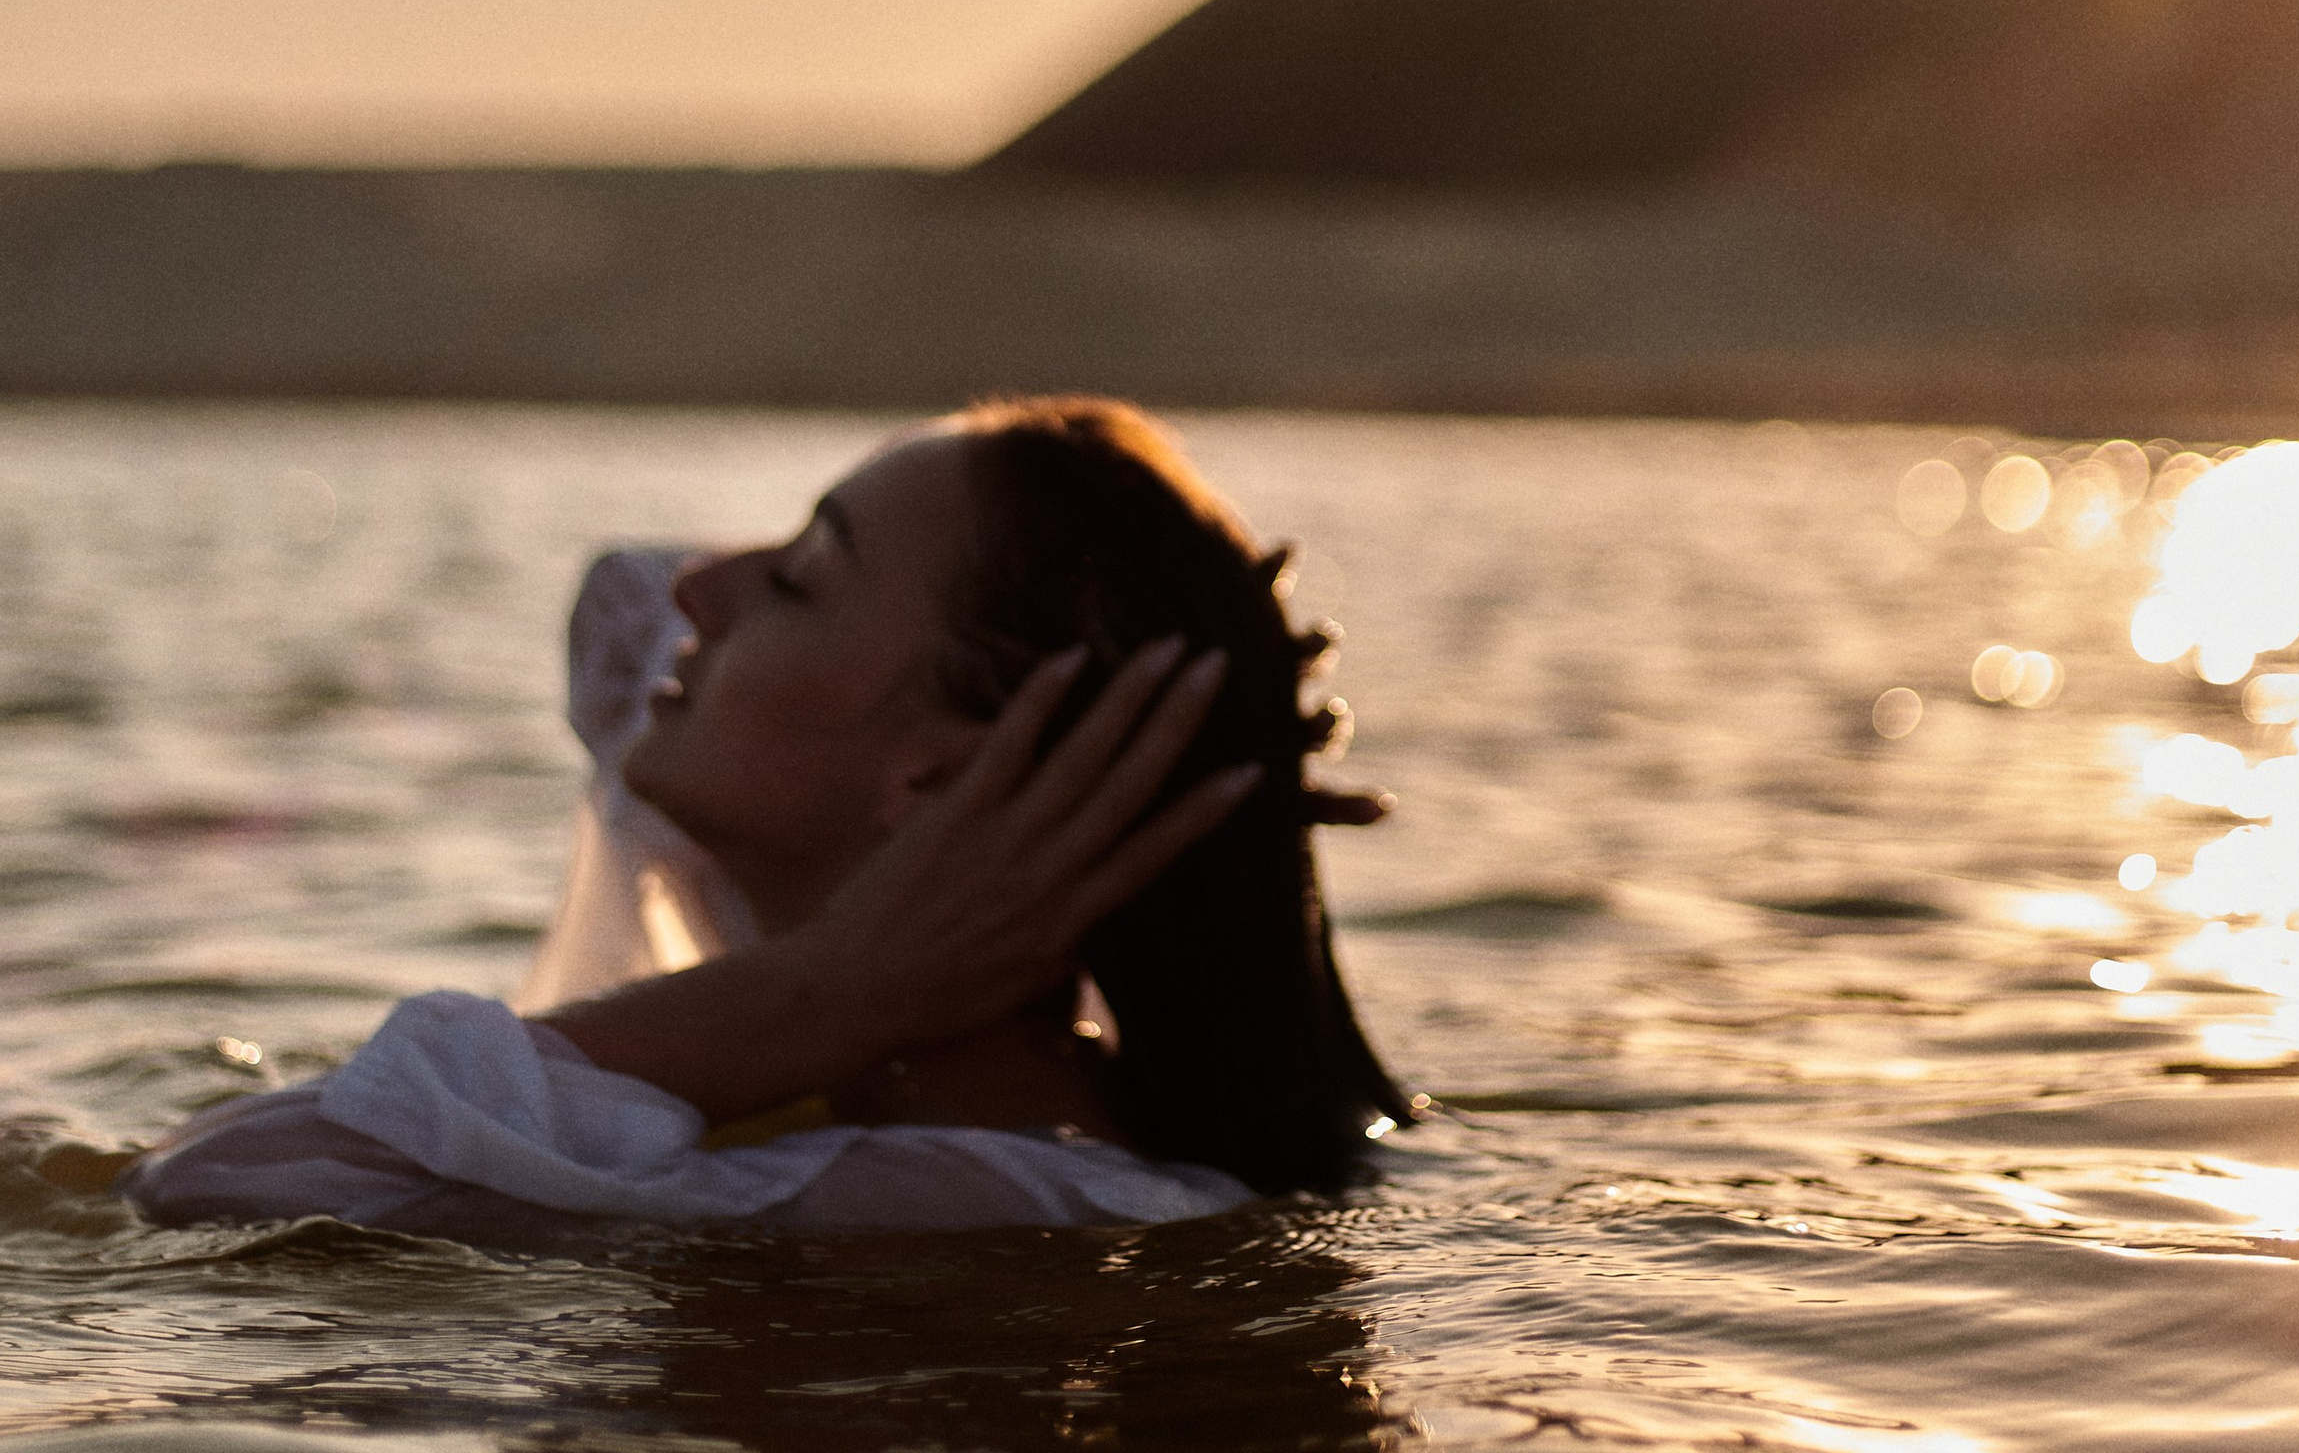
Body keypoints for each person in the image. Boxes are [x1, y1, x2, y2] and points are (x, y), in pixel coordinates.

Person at [122, 398, 1410, 1233]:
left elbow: (215, 1189)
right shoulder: (848, 1059)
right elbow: (617, 604)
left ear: (940, 778)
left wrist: (832, 992)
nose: (697, 582)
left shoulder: (978, 1194)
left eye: (795, 579)